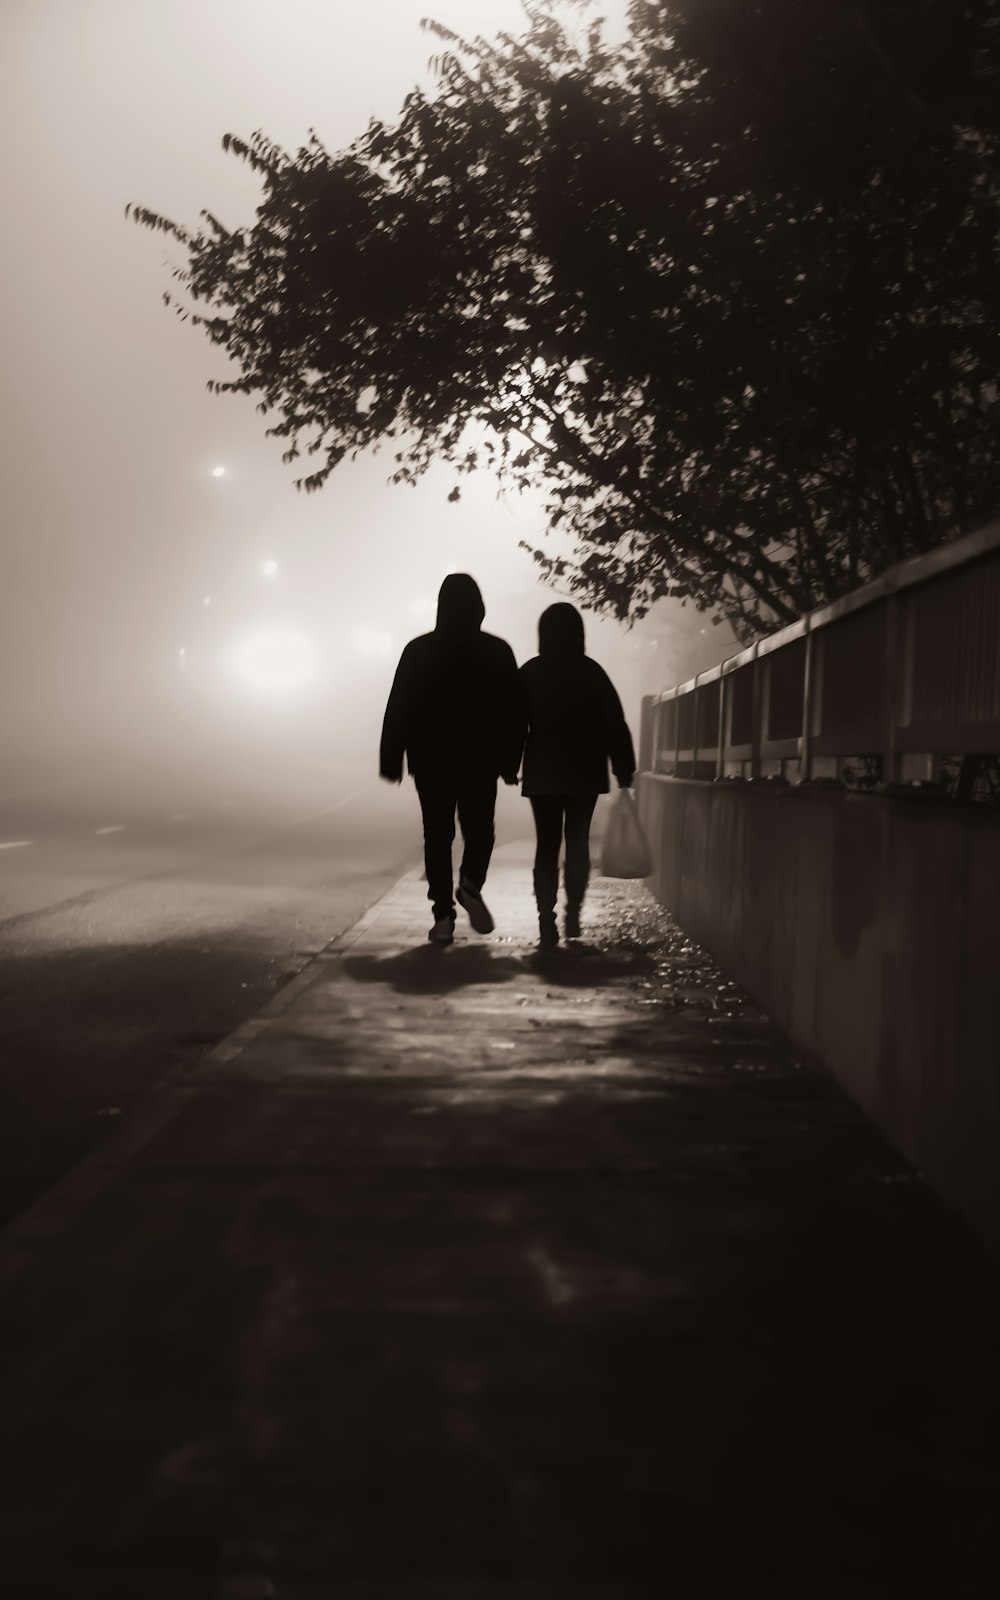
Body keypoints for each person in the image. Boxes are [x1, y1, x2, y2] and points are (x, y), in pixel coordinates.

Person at [380, 573, 525, 944]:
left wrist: (391, 758)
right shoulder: (497, 650)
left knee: (437, 835)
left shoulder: (418, 650)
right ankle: (471, 883)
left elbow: (399, 706)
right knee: (480, 832)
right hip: (481, 758)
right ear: (479, 608)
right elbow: (514, 711)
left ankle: (442, 916)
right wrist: (511, 761)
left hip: (431, 758)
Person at [519, 602, 635, 947]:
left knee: (547, 844)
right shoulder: (591, 672)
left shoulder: (531, 672)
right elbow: (614, 722)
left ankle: (545, 918)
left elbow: (512, 722)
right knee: (578, 842)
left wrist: (507, 764)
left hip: (542, 771)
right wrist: (624, 768)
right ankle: (573, 913)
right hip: (584, 770)